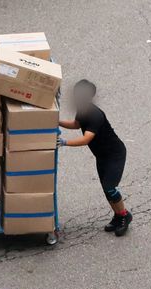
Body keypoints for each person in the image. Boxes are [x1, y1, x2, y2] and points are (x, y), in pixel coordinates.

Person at [58, 79, 132, 236]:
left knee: (110, 188)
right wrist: (57, 122)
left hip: (115, 155)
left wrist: (64, 142)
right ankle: (118, 215)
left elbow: (86, 139)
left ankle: (125, 216)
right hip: (102, 156)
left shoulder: (95, 115)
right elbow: (77, 124)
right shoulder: (82, 108)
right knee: (107, 190)